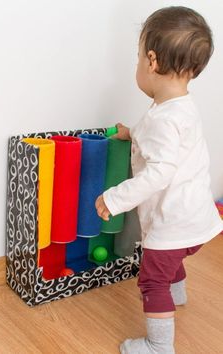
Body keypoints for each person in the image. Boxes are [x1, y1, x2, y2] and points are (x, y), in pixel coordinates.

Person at [95, 6, 223, 354]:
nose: (137, 64)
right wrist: (132, 134)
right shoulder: (181, 107)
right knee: (171, 257)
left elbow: (159, 170)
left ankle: (158, 345)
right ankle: (177, 291)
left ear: (151, 60)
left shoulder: (163, 119)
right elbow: (164, 146)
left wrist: (116, 198)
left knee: (152, 278)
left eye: (138, 57)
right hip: (197, 216)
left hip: (173, 221)